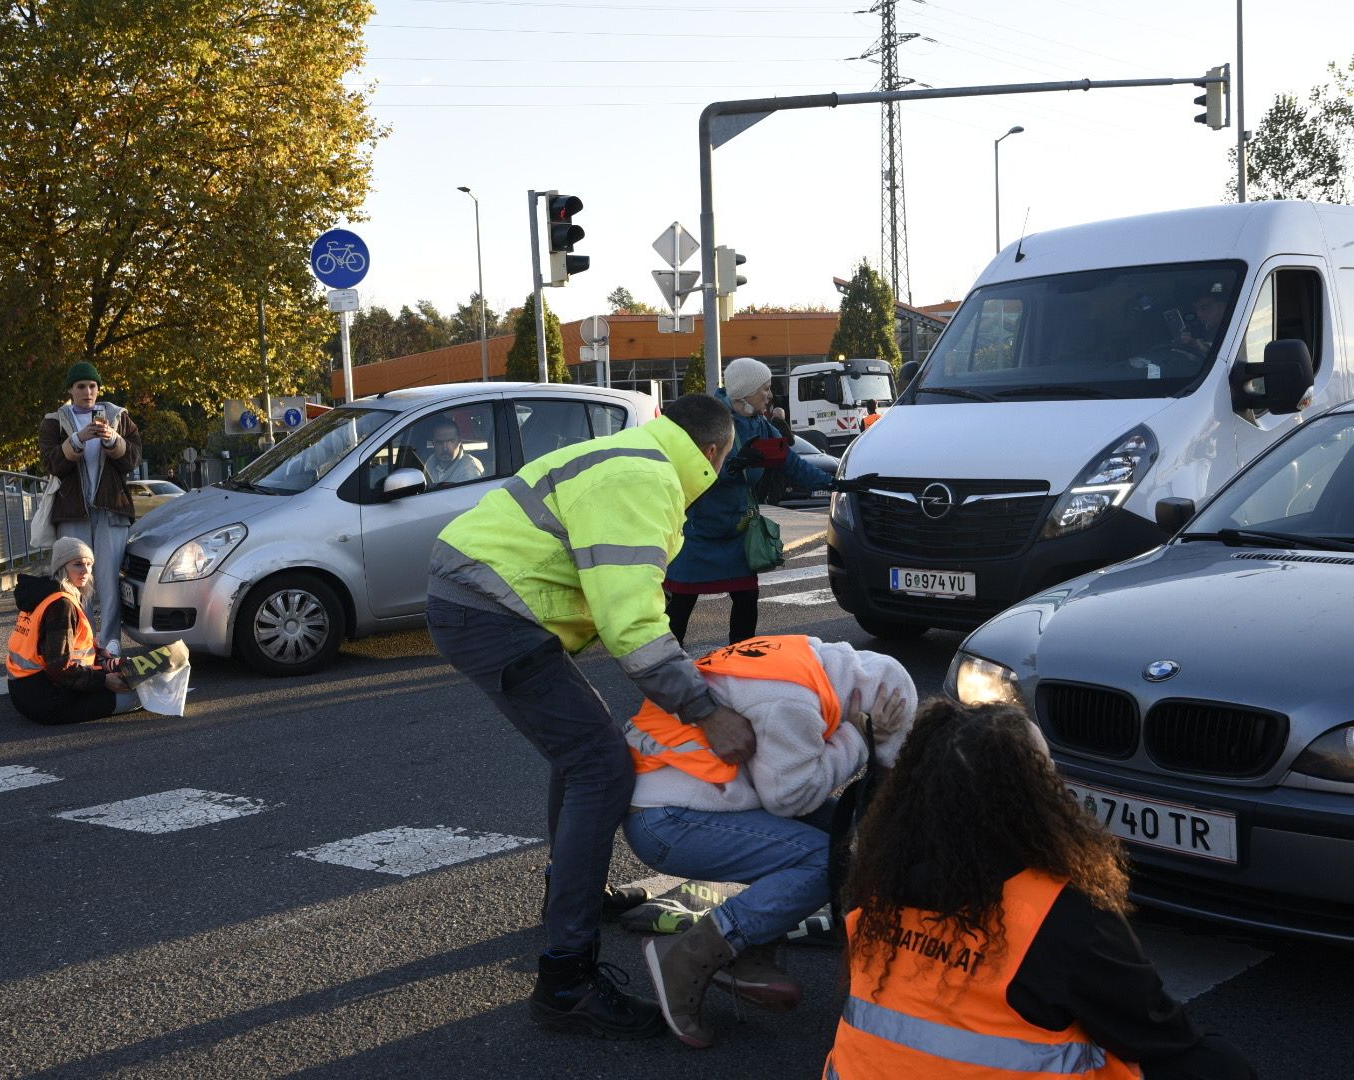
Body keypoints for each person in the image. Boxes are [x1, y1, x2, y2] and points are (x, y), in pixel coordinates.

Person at [426, 392, 757, 1040]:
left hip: (479, 596)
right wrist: (706, 712)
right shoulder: (647, 478)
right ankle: (567, 982)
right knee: (601, 766)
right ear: (714, 455)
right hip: (488, 608)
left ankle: (569, 898)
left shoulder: (633, 454)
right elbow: (632, 628)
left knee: (586, 751)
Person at [826, 698, 1256, 1080]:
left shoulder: (878, 885)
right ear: (1035, 798)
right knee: (1218, 1064)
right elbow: (1158, 1033)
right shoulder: (1057, 913)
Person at [624, 634, 916, 1048]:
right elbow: (790, 798)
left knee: (835, 832)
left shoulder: (806, 660)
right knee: (825, 860)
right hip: (669, 820)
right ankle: (686, 955)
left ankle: (747, 947)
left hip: (680, 799)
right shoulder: (790, 702)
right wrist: (857, 738)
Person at [664, 358, 833, 646]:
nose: (770, 395)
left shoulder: (762, 426)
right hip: (698, 532)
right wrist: (733, 464)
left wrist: (832, 483)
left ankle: (741, 660)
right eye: (764, 389)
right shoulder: (711, 420)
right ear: (745, 392)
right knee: (680, 604)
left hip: (738, 532)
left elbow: (790, 463)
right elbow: (694, 468)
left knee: (746, 599)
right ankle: (662, 666)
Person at [38, 361, 141, 643]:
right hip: (72, 512)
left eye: (92, 386)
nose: (87, 392)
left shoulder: (119, 417)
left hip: (111, 511)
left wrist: (113, 441)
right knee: (74, 583)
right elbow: (51, 463)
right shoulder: (54, 421)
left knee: (108, 584)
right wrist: (78, 440)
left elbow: (132, 459)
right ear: (70, 390)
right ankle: (80, 644)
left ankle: (110, 645)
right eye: (81, 386)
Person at [6, 537, 140, 724]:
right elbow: (59, 666)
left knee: (130, 671)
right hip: (48, 700)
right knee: (138, 694)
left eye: (89, 564)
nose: (85, 571)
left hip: (26, 692)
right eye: (78, 564)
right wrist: (104, 680)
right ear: (62, 567)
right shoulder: (61, 605)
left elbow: (61, 650)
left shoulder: (43, 594)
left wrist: (100, 654)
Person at [423, 415, 484, 487]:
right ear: (433, 443)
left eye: (451, 441)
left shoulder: (470, 469)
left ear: (459, 441)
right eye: (439, 442)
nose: (445, 448)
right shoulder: (431, 462)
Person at [1180, 280, 1228, 354]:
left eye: (1205, 308)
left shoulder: (1238, 329)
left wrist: (1203, 349)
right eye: (1196, 309)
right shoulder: (1201, 330)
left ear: (1222, 307)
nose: (1199, 315)